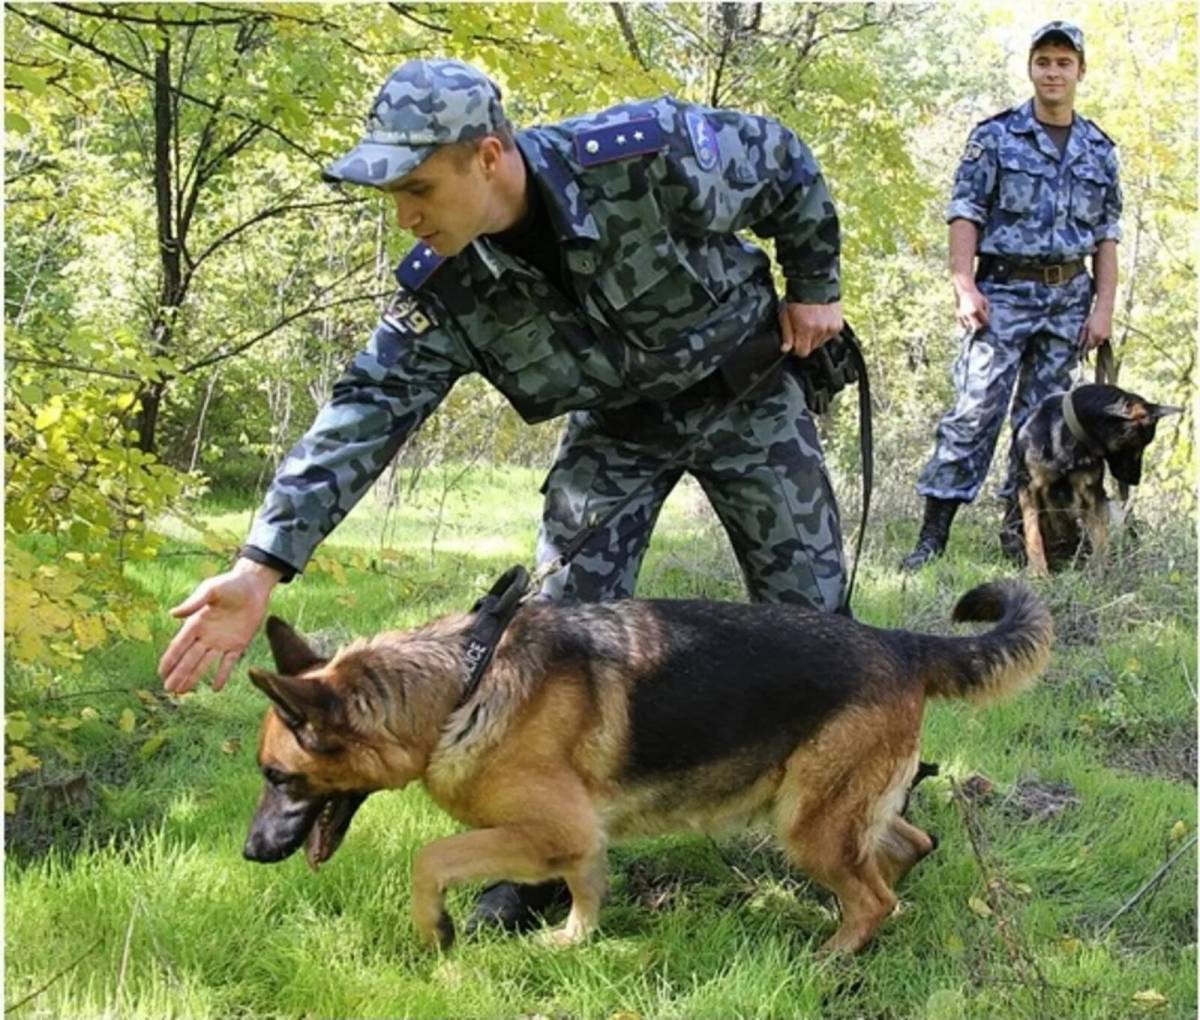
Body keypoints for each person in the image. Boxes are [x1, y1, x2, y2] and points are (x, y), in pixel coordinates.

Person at [159, 57, 848, 930]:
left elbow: (786, 164)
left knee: (818, 624)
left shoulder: (645, 155)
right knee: (555, 636)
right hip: (619, 428)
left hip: (746, 392)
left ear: (489, 156)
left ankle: (862, 813)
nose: (406, 216)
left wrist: (816, 285)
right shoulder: (444, 284)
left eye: (419, 187)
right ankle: (538, 858)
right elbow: (365, 412)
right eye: (394, 194)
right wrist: (261, 567)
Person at [901, 21, 1122, 570]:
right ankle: (933, 539)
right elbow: (964, 213)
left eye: (1063, 63)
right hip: (1001, 294)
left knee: (1046, 426)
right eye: (1044, 61)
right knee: (973, 412)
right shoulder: (995, 137)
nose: (1053, 71)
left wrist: (1103, 307)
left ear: (1080, 72)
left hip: (1069, 300)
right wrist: (963, 284)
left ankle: (1019, 535)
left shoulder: (1100, 149)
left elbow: (1107, 236)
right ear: (1031, 68)